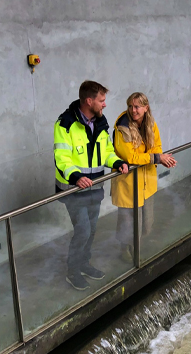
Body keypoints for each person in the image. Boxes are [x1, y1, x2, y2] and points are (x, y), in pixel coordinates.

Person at [54, 80, 128, 290]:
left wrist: (118, 163)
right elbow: (62, 157)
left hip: (95, 187)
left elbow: (106, 152)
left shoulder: (100, 122)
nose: (104, 104)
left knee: (92, 229)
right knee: (83, 231)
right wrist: (76, 177)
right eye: (101, 100)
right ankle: (73, 271)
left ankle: (84, 263)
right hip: (74, 190)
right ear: (89, 101)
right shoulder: (65, 123)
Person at [111, 92, 176, 261]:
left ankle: (135, 244)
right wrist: (156, 158)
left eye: (137, 107)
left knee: (146, 224)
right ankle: (124, 248)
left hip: (147, 182)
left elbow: (157, 145)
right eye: (131, 106)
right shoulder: (122, 127)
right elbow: (130, 158)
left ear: (146, 108)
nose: (133, 110)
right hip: (128, 183)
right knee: (128, 223)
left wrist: (161, 158)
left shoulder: (150, 123)